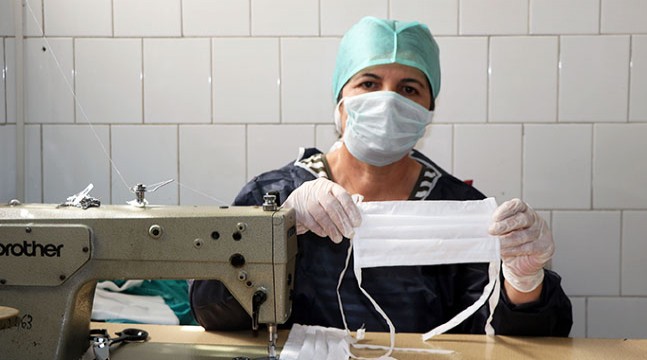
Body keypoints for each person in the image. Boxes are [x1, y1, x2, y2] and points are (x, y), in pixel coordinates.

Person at [190, 16, 572, 336]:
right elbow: (210, 312)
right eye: (369, 84)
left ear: (427, 111)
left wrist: (524, 283)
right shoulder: (273, 194)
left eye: (409, 89)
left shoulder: (459, 211)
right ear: (341, 104)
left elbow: (517, 341)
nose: (389, 101)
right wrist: (273, 233)